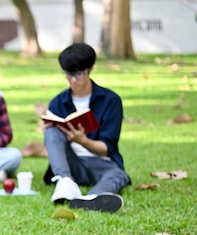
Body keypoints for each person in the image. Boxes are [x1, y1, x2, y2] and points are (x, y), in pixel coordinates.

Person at [42, 43, 131, 212]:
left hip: (100, 163)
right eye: (68, 74)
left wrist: (82, 140)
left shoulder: (110, 101)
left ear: (90, 69)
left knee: (118, 175)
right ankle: (65, 182)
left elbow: (106, 149)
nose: (73, 79)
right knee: (51, 132)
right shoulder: (58, 102)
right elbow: (55, 148)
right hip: (70, 163)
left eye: (79, 74)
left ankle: (91, 198)